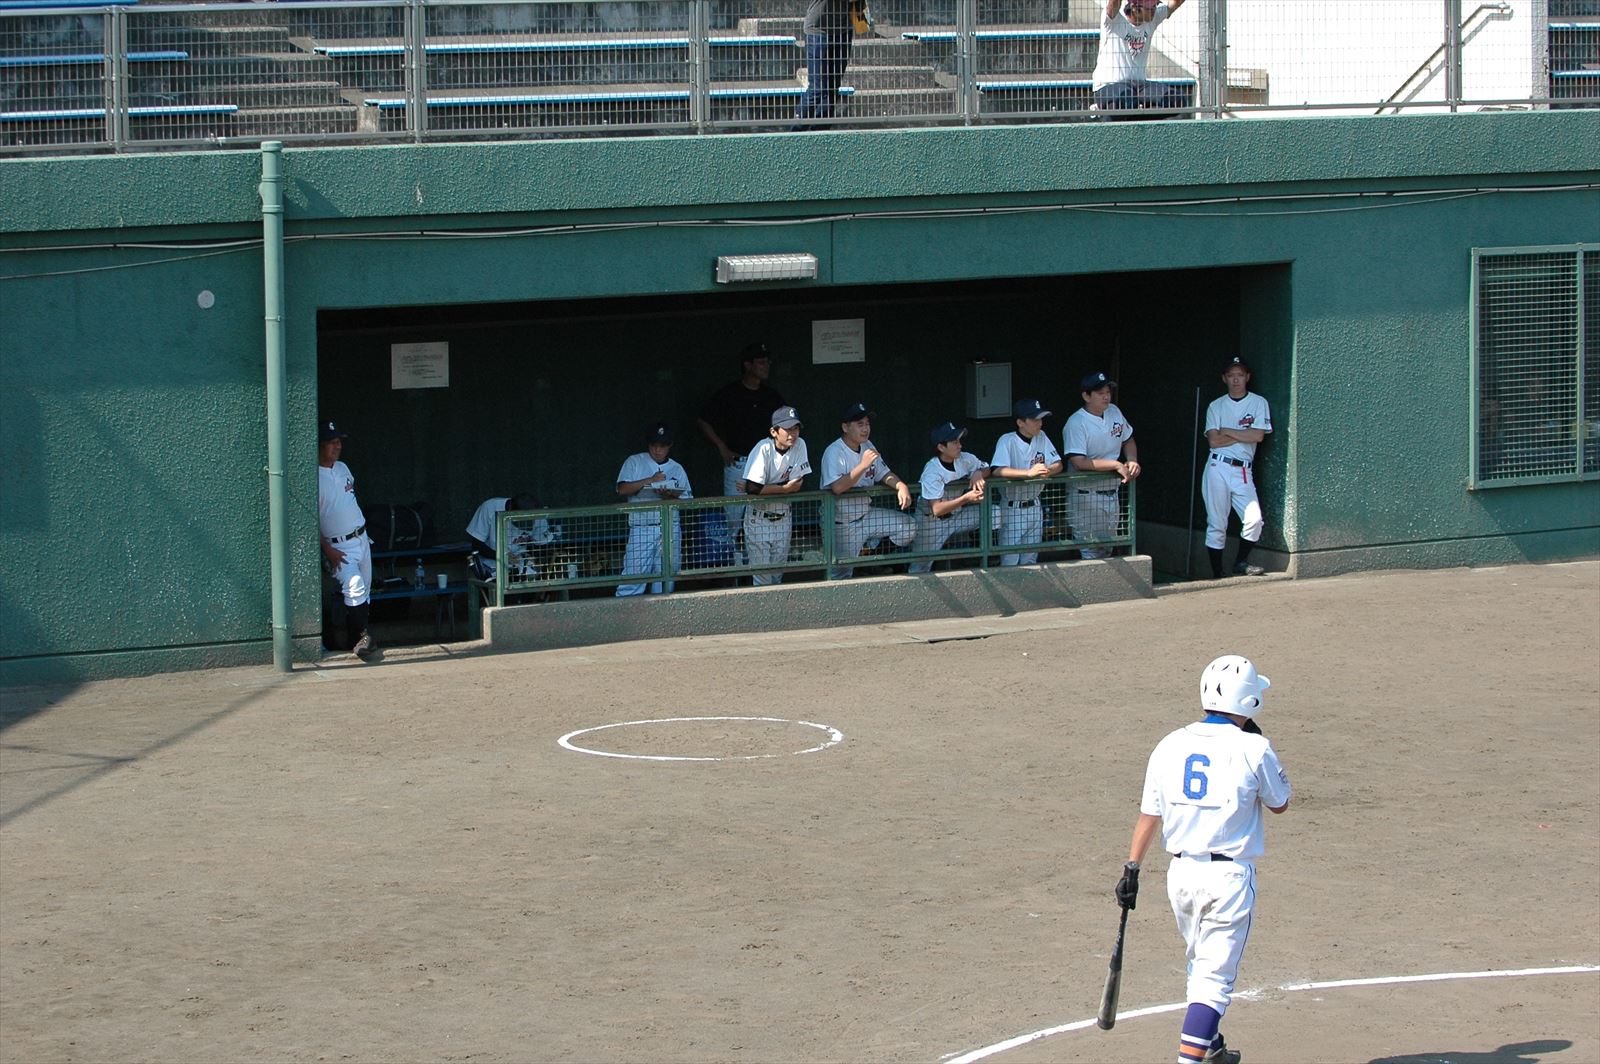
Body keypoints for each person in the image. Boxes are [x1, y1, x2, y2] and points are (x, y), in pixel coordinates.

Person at [1115, 654, 1292, 1064]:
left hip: (1180, 877)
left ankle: (1210, 1047)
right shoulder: (1254, 748)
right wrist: (1256, 746)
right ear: (1250, 700)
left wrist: (1132, 868)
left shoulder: (1169, 744)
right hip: (1228, 880)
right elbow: (1280, 803)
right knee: (1213, 981)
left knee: (1200, 963)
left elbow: (1149, 814)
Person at [697, 342, 784, 542]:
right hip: (738, 464)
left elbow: (789, 425)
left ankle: (761, 559)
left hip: (767, 464)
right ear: (748, 365)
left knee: (766, 517)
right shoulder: (730, 393)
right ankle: (736, 561)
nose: (766, 366)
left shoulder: (771, 396)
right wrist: (721, 446)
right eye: (761, 362)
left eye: (767, 362)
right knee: (735, 521)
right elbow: (703, 420)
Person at [820, 402, 915, 579]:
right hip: (842, 524)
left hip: (866, 516)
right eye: (860, 424)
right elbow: (837, 487)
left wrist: (901, 486)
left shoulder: (868, 446)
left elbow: (884, 473)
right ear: (845, 427)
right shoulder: (834, 452)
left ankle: (870, 560)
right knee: (840, 574)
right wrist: (863, 465)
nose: (865, 429)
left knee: (908, 526)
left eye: (867, 424)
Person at [1202, 356, 1272, 578]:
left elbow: (1258, 436)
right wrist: (1244, 434)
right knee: (1217, 523)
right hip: (1218, 466)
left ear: (1247, 377)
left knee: (1254, 519)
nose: (1236, 379)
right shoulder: (1216, 405)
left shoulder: (1258, 402)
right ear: (1224, 378)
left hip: (1243, 469)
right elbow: (1214, 441)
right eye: (1231, 375)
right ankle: (1218, 574)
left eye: (1240, 375)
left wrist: (1228, 431)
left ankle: (1240, 563)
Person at [1063, 371, 1140, 560]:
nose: (1106, 396)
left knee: (1107, 550)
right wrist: (1115, 464)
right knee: (1090, 552)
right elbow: (1079, 462)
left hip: (1112, 494)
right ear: (1086, 396)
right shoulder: (1076, 422)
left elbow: (1128, 440)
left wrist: (1131, 460)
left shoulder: (1114, 411)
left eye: (1107, 392)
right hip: (1085, 495)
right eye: (1100, 393)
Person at [317, 420, 374, 660]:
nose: (337, 446)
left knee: (365, 589)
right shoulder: (312, 476)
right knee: (354, 585)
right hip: (338, 545)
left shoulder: (342, 468)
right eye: (332, 442)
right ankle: (360, 637)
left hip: (361, 537)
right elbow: (308, 521)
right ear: (319, 445)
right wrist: (327, 549)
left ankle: (357, 639)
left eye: (338, 442)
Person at [615, 423, 693, 597]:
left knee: (666, 581)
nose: (658, 450)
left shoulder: (677, 468)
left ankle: (662, 614)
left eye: (662, 446)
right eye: (654, 445)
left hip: (670, 528)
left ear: (670, 445)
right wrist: (650, 480)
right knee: (633, 580)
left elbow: (687, 502)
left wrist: (668, 496)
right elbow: (622, 489)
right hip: (642, 528)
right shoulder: (635, 461)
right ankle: (626, 612)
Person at [739, 406, 811, 586]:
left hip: (783, 517)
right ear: (774, 431)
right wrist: (785, 488)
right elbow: (753, 488)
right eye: (787, 429)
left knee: (777, 576)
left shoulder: (800, 445)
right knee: (763, 578)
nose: (792, 434)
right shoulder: (763, 448)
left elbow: (798, 483)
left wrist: (768, 487)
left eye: (795, 428)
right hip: (759, 519)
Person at [988, 398, 1063, 566]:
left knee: (1030, 559)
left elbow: (1058, 464)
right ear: (1020, 422)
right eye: (1035, 419)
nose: (1040, 423)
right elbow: (997, 470)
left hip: (1035, 506)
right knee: (1010, 560)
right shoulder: (1007, 440)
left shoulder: (1042, 437)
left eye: (1041, 419)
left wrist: (1047, 470)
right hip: (1013, 507)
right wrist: (1028, 473)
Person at [908, 421, 990, 574]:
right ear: (941, 447)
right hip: (931, 522)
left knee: (994, 513)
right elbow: (937, 509)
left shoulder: (965, 459)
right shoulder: (932, 471)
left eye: (959, 441)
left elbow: (987, 468)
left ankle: (987, 558)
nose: (960, 445)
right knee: (920, 568)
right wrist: (966, 498)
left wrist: (979, 473)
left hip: (957, 516)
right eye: (954, 442)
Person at [1090, 0, 1188, 118]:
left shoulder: (1152, 19)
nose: (1153, 11)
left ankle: (1140, 119)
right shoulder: (1114, 20)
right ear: (1134, 7)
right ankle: (1107, 111)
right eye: (1149, 8)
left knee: (1177, 100)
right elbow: (1114, 3)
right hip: (1107, 86)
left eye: (1155, 6)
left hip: (1138, 86)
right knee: (1126, 100)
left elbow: (1176, 3)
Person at [794, 0, 855, 127]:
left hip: (843, 31)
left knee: (832, 89)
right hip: (818, 32)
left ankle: (821, 133)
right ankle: (796, 132)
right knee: (817, 89)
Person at [465, 493, 550, 580]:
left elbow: (543, 544)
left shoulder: (537, 514)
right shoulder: (489, 507)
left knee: (530, 577)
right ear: (510, 509)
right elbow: (476, 545)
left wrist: (532, 556)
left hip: (521, 560)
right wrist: (502, 556)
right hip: (492, 560)